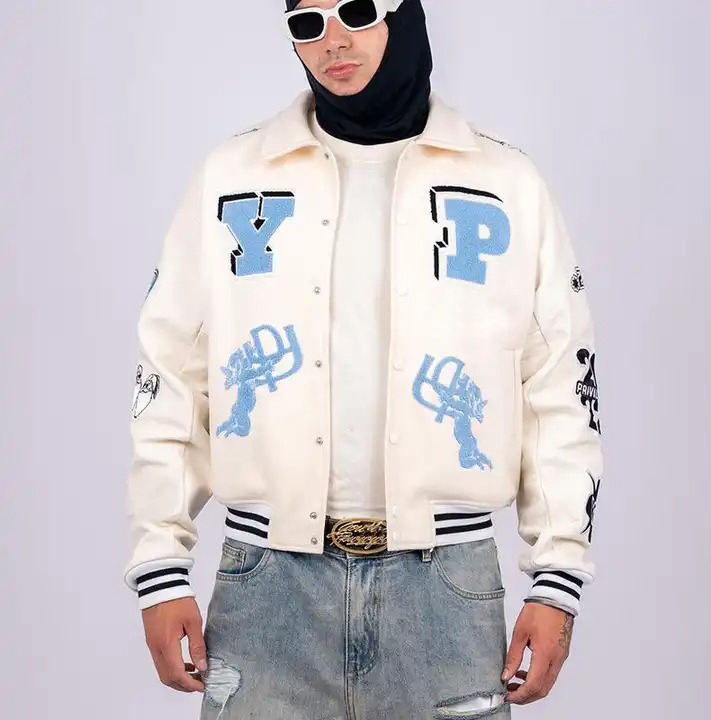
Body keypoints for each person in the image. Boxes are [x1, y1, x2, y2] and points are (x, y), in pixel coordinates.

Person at [123, 1, 604, 717]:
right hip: (265, 586)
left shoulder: (506, 183)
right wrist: (160, 565)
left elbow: (559, 385)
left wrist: (557, 577)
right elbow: (170, 371)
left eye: (355, 10)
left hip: (447, 591)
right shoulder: (232, 178)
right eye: (307, 23)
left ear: (404, 16)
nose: (333, 41)